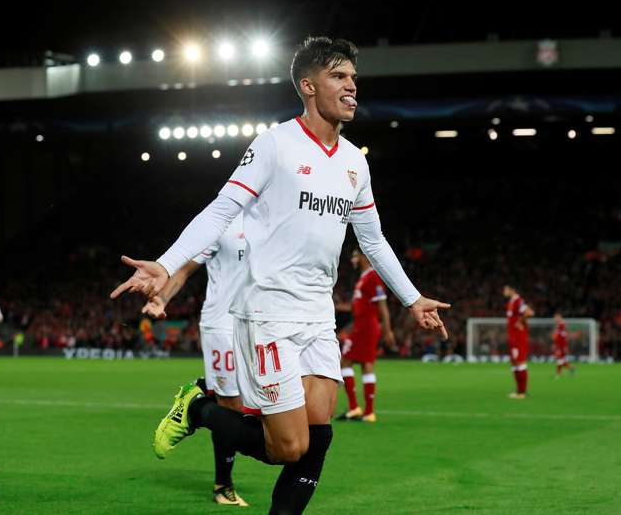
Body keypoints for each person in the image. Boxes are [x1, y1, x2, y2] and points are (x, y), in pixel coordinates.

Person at [111, 36, 450, 514]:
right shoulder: (275, 144)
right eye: (339, 76)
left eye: (353, 77)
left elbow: (372, 240)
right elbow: (222, 209)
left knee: (319, 431)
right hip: (267, 311)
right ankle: (199, 408)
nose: (352, 86)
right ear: (308, 86)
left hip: (317, 315)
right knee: (288, 447)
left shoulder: (355, 162)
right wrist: (166, 263)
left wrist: (412, 299)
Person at [143, 214, 249, 506]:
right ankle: (223, 485)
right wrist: (162, 299)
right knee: (231, 410)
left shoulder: (276, 217)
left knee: (260, 406)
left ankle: (197, 398)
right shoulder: (223, 222)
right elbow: (185, 268)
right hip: (223, 325)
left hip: (260, 325)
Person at [336, 248, 396, 422]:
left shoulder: (373, 277)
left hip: (367, 327)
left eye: (355, 256)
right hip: (360, 326)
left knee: (353, 362)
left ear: (364, 257)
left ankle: (361, 409)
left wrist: (388, 330)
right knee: (360, 363)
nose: (353, 259)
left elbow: (382, 306)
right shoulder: (362, 279)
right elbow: (358, 308)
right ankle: (362, 410)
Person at [503, 285, 533, 398]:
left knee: (520, 363)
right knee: (515, 364)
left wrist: (520, 322)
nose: (504, 291)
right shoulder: (511, 302)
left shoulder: (518, 301)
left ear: (512, 290)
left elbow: (529, 312)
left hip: (519, 338)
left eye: (505, 289)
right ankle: (519, 391)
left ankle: (522, 392)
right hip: (513, 338)